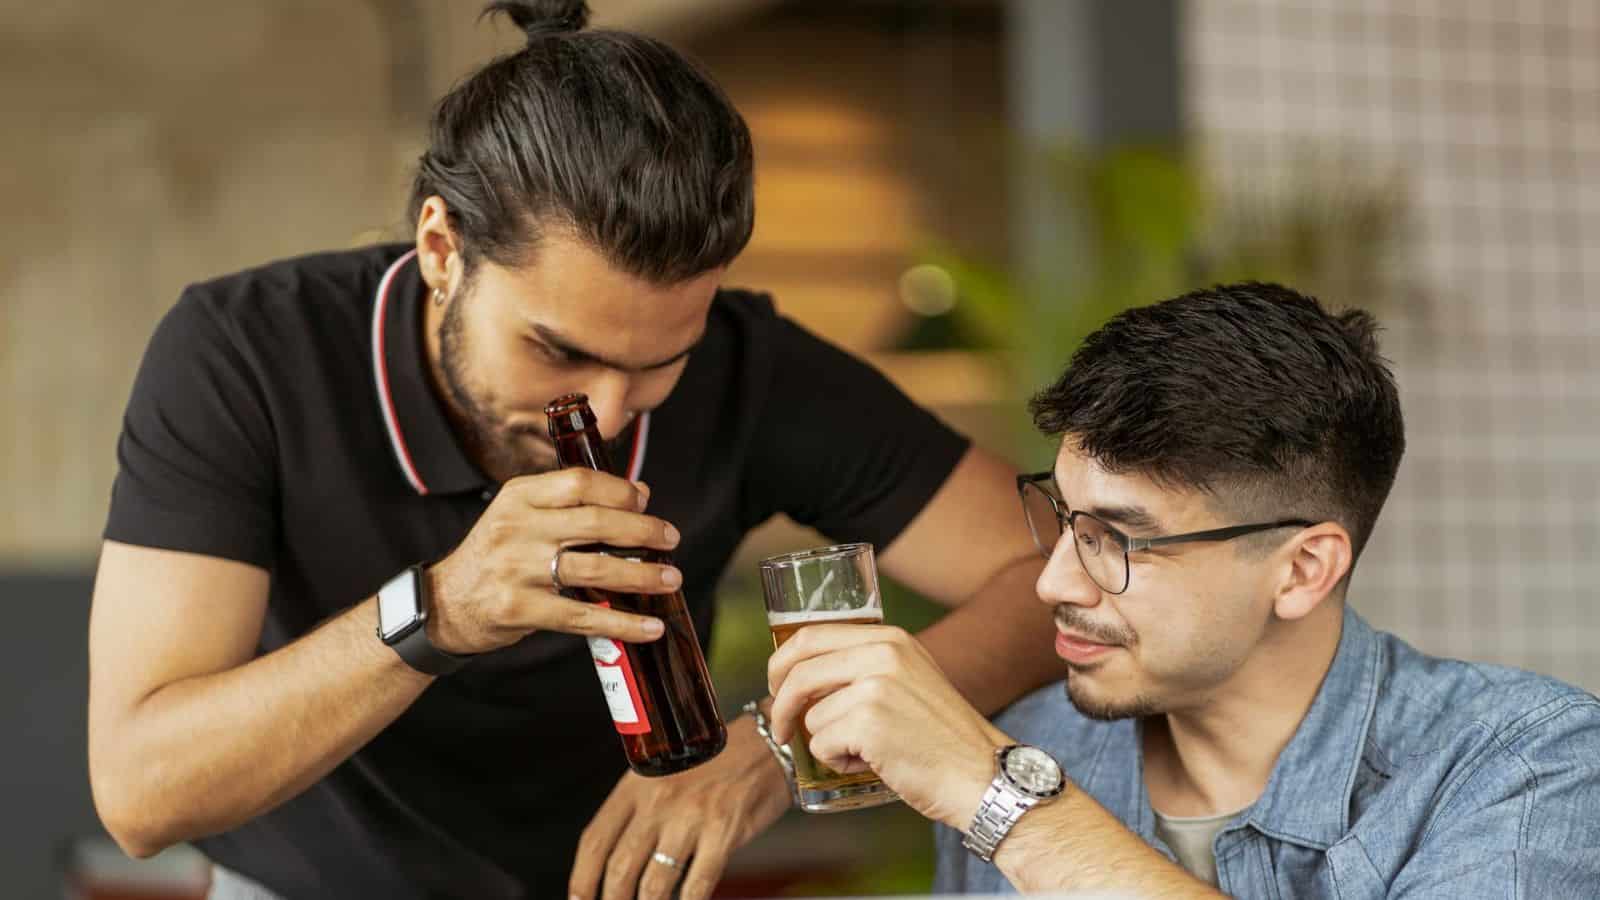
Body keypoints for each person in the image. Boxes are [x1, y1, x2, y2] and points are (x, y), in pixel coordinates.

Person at [85, 3, 1061, 898]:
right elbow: (140, 795)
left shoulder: (750, 368)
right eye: (558, 351)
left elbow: (1053, 579)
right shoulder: (247, 353)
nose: (607, 411)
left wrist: (773, 747)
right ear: (441, 249)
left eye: (661, 362)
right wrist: (442, 609)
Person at [768, 282, 1600, 897]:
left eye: (1118, 540)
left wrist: (1003, 802)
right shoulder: (1033, 744)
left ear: (1303, 570)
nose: (1053, 580)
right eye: (1065, 520)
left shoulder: (1523, 765)